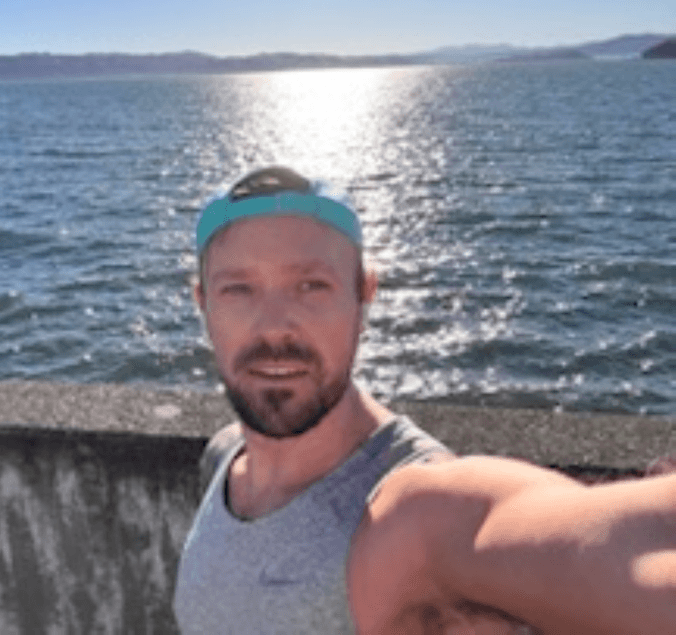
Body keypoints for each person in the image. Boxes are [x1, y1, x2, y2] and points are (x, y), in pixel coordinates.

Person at [173, 166, 676, 634]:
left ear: (363, 294)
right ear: (203, 303)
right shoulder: (223, 457)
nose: (275, 325)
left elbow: (619, 553)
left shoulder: (408, 516)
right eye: (239, 289)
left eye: (312, 286)